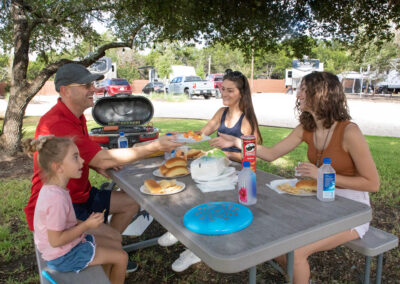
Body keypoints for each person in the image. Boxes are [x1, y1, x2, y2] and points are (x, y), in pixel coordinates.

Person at [210, 71, 380, 284]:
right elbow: (272, 154)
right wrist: (237, 142)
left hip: (353, 211)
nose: (298, 94)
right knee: (277, 239)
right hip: (320, 200)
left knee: (296, 251)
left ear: (322, 95)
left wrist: (322, 175)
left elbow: (372, 183)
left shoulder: (349, 132)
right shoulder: (306, 128)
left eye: (304, 90)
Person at [24, 63, 183, 272]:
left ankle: (105, 249)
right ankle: (104, 255)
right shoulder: (58, 123)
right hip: (64, 206)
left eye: (92, 84)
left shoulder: (76, 116)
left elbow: (86, 156)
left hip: (81, 195)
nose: (93, 89)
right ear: (65, 91)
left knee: (130, 203)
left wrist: (94, 163)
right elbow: (102, 158)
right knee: (115, 241)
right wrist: (154, 146)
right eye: (85, 85)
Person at [158, 70, 263, 272]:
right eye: (222, 89)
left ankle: (194, 251)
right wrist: (180, 136)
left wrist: (227, 154)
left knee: (209, 201)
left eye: (230, 90)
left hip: (239, 173)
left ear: (242, 93)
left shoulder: (247, 120)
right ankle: (179, 230)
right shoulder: (221, 113)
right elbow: (201, 134)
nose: (224, 93)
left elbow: (251, 157)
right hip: (217, 168)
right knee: (188, 190)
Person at [23, 136, 128, 284]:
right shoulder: (55, 199)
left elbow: (65, 222)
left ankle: (105, 279)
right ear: (58, 167)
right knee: (121, 257)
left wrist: (87, 223)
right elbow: (56, 240)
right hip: (62, 256)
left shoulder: (56, 189)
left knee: (116, 244)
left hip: (67, 247)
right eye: (75, 157)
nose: (82, 161)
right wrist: (86, 225)